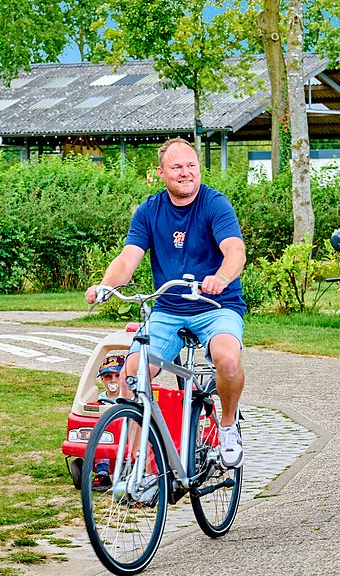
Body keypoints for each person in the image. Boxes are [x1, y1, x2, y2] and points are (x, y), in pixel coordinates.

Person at [86, 138, 248, 469]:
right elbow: (127, 260)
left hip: (217, 306)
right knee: (133, 372)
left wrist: (221, 277)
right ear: (162, 173)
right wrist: (105, 286)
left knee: (227, 360)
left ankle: (228, 427)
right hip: (169, 310)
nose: (186, 173)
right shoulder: (149, 211)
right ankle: (138, 462)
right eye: (177, 167)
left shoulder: (215, 204)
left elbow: (235, 251)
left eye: (191, 165)